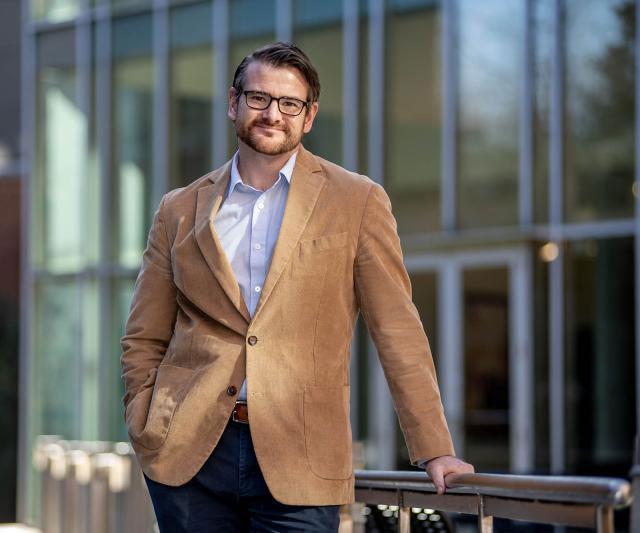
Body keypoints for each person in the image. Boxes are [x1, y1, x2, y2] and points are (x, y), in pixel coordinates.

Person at [121, 41, 474, 532]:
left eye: (290, 103)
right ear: (233, 103)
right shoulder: (179, 208)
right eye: (259, 98)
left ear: (309, 117)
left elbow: (397, 331)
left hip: (300, 455)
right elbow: (144, 336)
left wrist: (434, 448)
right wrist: (146, 420)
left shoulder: (357, 201)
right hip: (188, 455)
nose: (272, 113)